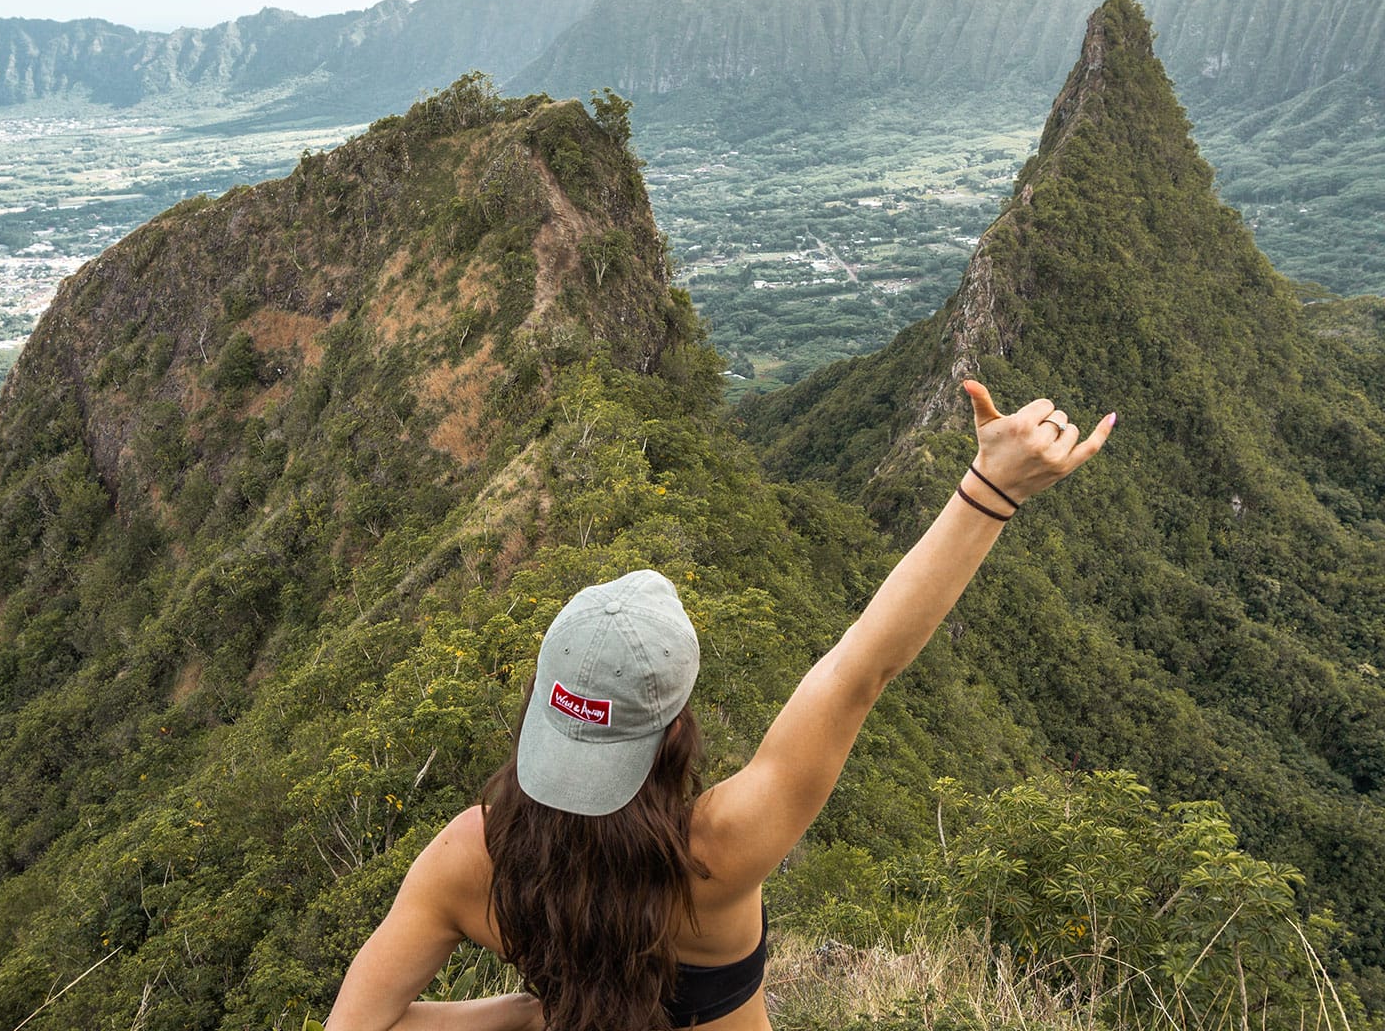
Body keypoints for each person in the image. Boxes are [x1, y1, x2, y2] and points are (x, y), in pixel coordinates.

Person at [326, 380, 1115, 1031]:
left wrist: (538, 1015)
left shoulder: (471, 859)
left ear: (541, 707)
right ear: (674, 728)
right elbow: (860, 671)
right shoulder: (723, 853)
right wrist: (993, 488)